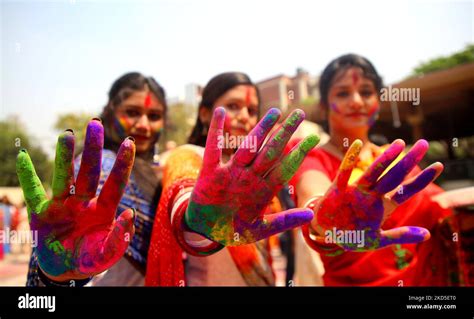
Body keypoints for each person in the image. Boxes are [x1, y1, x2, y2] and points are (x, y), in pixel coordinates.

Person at [19, 72, 317, 286]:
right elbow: (184, 201)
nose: (144, 125)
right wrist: (56, 278)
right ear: (110, 112)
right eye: (132, 112)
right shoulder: (101, 168)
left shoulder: (157, 168)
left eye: (154, 115)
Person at [287, 54, 453, 286]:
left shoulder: (398, 163)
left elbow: (444, 209)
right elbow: (315, 200)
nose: (356, 101)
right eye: (343, 93)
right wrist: (325, 218)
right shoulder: (314, 158)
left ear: (378, 100)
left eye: (366, 92)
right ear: (324, 105)